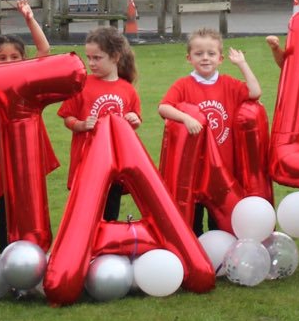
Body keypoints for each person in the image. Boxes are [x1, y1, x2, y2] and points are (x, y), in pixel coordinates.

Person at [157, 28, 262, 235]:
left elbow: (255, 92)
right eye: (199, 54)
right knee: (193, 224)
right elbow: (164, 107)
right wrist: (186, 118)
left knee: (220, 224)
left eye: (211, 54)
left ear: (220, 58)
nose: (205, 58)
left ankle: (219, 264)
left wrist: (242, 64)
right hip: (194, 170)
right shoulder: (183, 85)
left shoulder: (229, 85)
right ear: (189, 58)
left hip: (222, 170)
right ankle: (196, 264)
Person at [0, 0, 57, 250]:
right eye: (2, 57)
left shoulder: (28, 84)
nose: (8, 61)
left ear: (24, 59)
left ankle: (40, 259)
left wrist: (30, 19)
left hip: (30, 163)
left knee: (35, 211)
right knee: (5, 214)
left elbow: (44, 50)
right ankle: (8, 264)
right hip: (4, 166)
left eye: (14, 57)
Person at [59, 27, 141, 221]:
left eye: (97, 58)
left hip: (115, 164)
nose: (91, 63)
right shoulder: (82, 85)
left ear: (115, 57)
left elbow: (134, 121)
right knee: (85, 215)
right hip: (87, 162)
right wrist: (81, 125)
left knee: (110, 214)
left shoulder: (127, 89)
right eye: (89, 57)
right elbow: (67, 117)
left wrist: (133, 120)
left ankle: (106, 249)